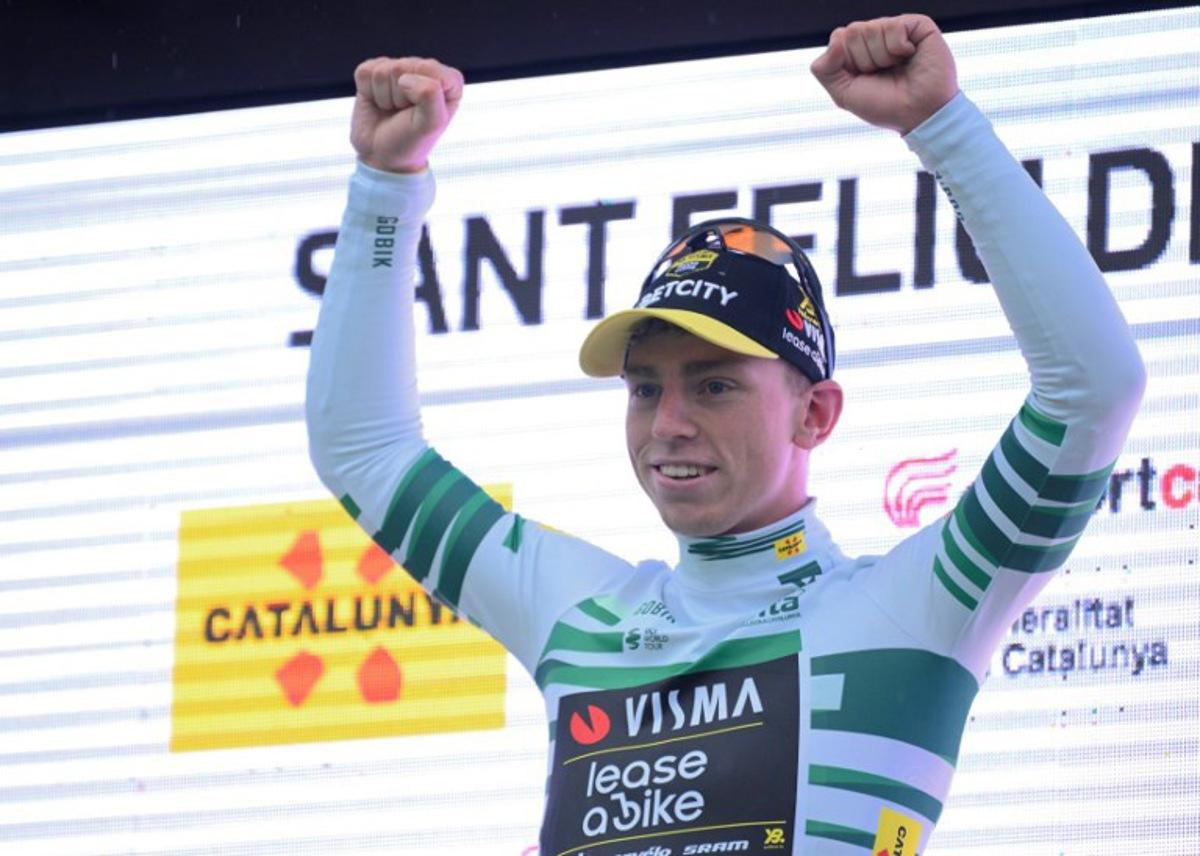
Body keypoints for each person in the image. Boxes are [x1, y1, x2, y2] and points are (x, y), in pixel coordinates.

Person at [306, 14, 1145, 855]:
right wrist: (385, 183)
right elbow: (364, 450)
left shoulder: (912, 610)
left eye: (714, 386)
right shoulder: (580, 614)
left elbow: (1094, 389)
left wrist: (943, 126)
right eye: (646, 388)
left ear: (815, 414)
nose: (668, 425)